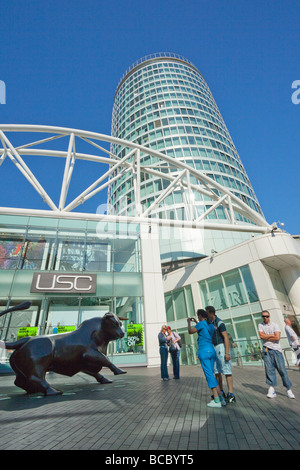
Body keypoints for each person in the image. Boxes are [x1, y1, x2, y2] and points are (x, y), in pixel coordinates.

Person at [187, 309, 226, 408]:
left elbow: (191, 331)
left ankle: (216, 400)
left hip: (204, 351)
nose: (197, 317)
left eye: (197, 315)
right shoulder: (210, 325)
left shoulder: (201, 324)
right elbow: (203, 329)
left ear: (200, 315)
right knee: (212, 375)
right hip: (212, 351)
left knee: (209, 375)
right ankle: (221, 398)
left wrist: (188, 323)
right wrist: (196, 322)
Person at [258, 311, 295, 399]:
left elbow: (277, 337)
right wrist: (272, 335)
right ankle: (271, 389)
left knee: (282, 370)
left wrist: (267, 336)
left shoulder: (275, 325)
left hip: (276, 351)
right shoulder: (260, 325)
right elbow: (261, 336)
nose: (265, 318)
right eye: (263, 316)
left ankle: (288, 389)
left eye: (266, 316)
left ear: (269, 316)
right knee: (269, 370)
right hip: (266, 350)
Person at [206, 305, 236, 403]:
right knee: (217, 372)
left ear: (211, 313)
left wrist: (227, 353)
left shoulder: (219, 322)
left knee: (227, 371)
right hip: (214, 348)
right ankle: (221, 391)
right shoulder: (210, 323)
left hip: (221, 347)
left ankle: (231, 394)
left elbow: (226, 337)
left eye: (207, 313)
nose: (206, 315)